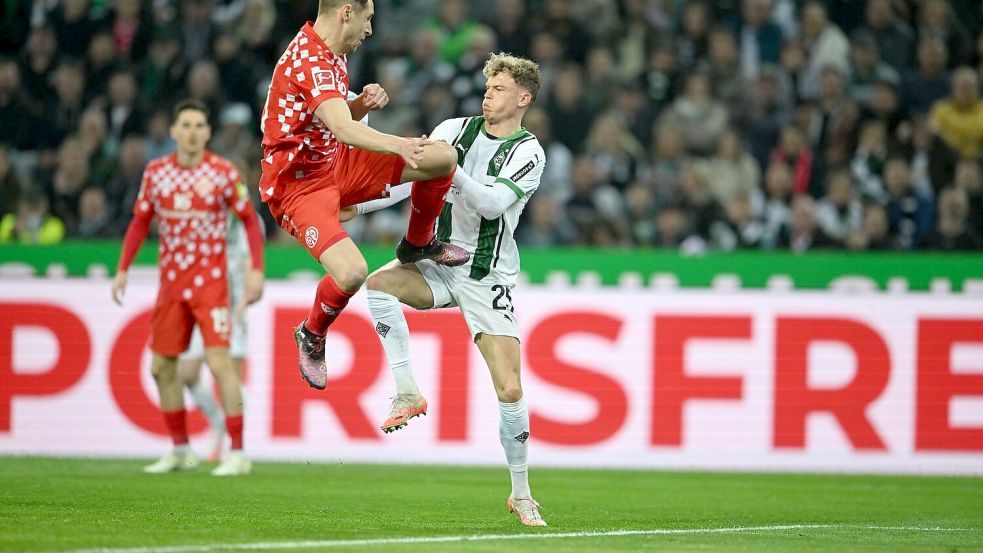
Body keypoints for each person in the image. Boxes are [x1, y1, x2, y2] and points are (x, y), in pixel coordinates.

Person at [351, 52, 548, 527]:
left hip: (486, 275)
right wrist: (359, 208)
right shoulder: (452, 129)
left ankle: (521, 493)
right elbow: (406, 183)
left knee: (511, 387)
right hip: (437, 257)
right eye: (486, 87)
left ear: (523, 98)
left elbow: (494, 203)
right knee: (375, 284)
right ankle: (406, 392)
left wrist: (448, 167)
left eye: (499, 89)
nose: (488, 95)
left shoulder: (529, 151)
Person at [258, 0, 469, 390]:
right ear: (346, 13)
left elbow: (327, 122)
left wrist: (358, 105)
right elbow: (342, 128)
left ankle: (418, 244)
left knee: (442, 157)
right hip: (297, 188)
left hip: (335, 164)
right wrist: (396, 144)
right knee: (352, 272)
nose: (370, 30)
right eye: (368, 19)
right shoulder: (312, 59)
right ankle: (312, 332)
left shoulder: (332, 52)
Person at [112, 99, 265, 476]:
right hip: (171, 286)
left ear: (208, 132)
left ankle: (238, 453)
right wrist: (122, 269)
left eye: (200, 125)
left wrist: (256, 270)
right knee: (161, 367)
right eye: (187, 125)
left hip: (211, 286)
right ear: (174, 131)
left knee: (218, 364)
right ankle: (180, 449)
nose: (193, 131)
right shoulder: (156, 173)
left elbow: (249, 222)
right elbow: (138, 222)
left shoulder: (224, 173)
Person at [176, 211, 255, 463]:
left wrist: (243, 300)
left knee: (231, 378)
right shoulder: (202, 213)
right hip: (203, 303)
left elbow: (249, 260)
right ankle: (219, 422)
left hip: (231, 306)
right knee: (187, 372)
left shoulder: (246, 219)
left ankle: (235, 447)